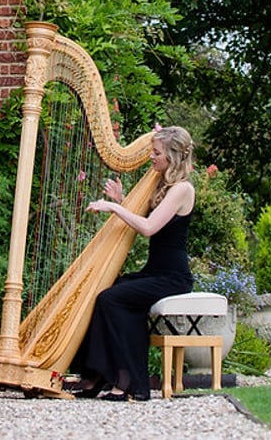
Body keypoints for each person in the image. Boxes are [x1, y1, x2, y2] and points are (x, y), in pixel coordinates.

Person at [72, 125, 195, 401]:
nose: (151, 157)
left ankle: (128, 381)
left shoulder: (181, 189)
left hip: (172, 277)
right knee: (107, 290)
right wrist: (122, 200)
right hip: (155, 272)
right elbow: (150, 220)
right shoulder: (164, 185)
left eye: (157, 153)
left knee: (112, 299)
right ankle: (99, 375)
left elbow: (149, 227)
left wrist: (114, 207)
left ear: (173, 156)